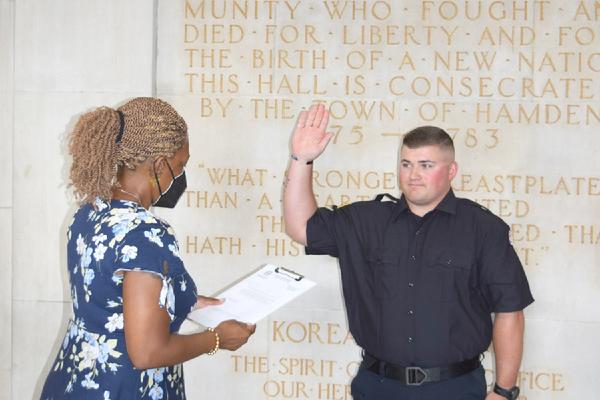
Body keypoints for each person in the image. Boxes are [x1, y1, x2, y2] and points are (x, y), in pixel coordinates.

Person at [283, 104, 534, 400]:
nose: (413, 174)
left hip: (454, 389)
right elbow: (300, 227)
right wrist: (301, 159)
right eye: (406, 164)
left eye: (426, 165)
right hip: (378, 386)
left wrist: (504, 391)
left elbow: (509, 311)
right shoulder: (367, 221)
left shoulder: (483, 229)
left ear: (451, 170)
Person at [41, 97, 255, 399]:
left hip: (74, 380)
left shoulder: (89, 211)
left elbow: (109, 296)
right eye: (179, 166)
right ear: (158, 164)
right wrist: (217, 338)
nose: (178, 176)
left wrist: (185, 301)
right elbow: (147, 352)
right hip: (124, 388)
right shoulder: (147, 232)